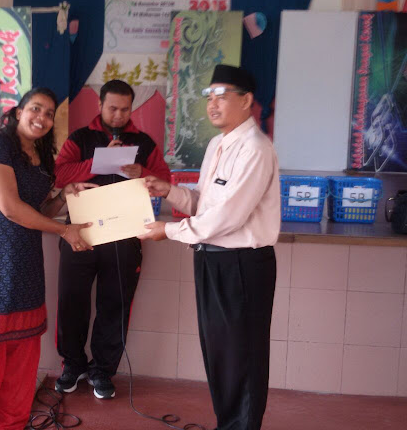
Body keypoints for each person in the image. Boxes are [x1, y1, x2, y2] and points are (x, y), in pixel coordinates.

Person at [140, 65, 280, 430]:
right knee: (219, 352)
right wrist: (169, 191)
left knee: (242, 356)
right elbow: (205, 204)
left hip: (242, 265)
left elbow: (229, 216)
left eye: (221, 95)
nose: (212, 104)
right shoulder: (218, 145)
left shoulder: (256, 149)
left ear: (246, 100)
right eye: (209, 96)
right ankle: (227, 423)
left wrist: (169, 230)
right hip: (211, 260)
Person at [0, 88, 96, 430]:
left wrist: (64, 196)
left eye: (49, 113)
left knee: (21, 363)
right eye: (35, 109)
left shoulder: (42, 157)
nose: (42, 118)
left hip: (25, 265)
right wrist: (64, 231)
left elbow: (38, 212)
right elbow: (10, 208)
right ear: (18, 112)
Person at [53, 79, 171, 399]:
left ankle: (102, 371)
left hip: (124, 236)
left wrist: (141, 173)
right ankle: (72, 365)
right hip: (80, 233)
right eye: (112, 108)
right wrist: (96, 163)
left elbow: (165, 181)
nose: (118, 115)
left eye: (125, 109)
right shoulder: (80, 138)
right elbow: (59, 175)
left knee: (115, 304)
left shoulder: (142, 143)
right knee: (71, 302)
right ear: (100, 105)